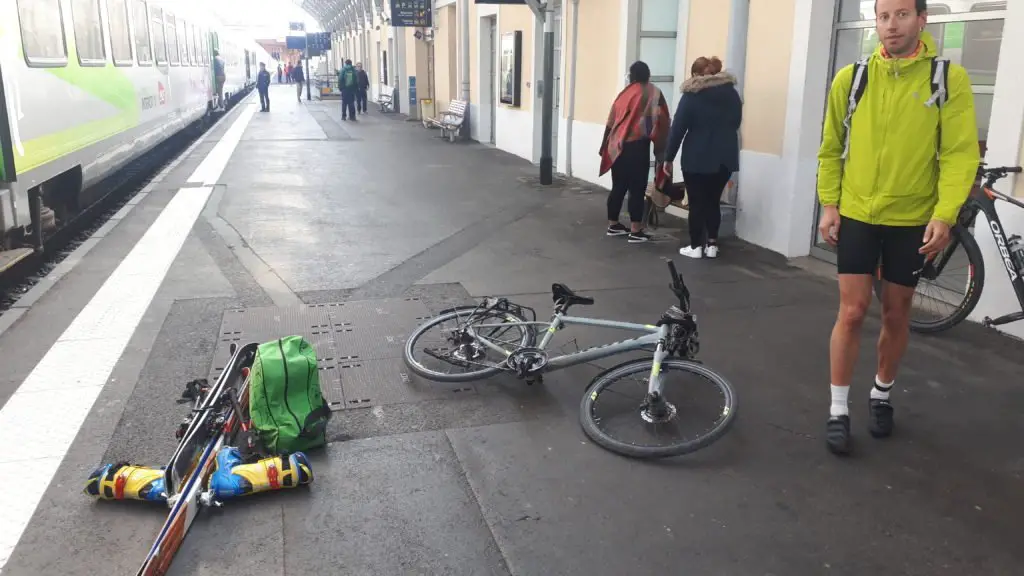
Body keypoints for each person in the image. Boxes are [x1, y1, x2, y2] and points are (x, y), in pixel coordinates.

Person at [816, 0, 979, 455]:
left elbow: (960, 153)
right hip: (858, 215)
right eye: (884, 16)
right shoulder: (852, 79)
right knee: (851, 313)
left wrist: (944, 214)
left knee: (895, 313)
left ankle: (881, 393)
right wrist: (830, 204)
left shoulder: (947, 79)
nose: (892, 25)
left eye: (902, 14)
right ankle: (838, 409)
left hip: (912, 221)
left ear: (922, 19)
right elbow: (830, 148)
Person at [661, 56, 741, 259]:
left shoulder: (692, 95)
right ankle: (712, 244)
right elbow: (736, 122)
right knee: (713, 200)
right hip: (725, 155)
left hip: (697, 156)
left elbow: (678, 128)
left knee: (696, 202)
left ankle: (696, 245)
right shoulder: (731, 94)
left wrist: (668, 157)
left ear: (696, 74)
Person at [598, 61, 671, 244]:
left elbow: (611, 121)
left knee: (618, 186)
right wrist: (661, 151)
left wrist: (604, 147)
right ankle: (635, 230)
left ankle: (613, 224)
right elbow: (662, 121)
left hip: (617, 146)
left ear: (632, 76)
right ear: (648, 74)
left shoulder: (624, 94)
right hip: (637, 146)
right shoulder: (653, 92)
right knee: (637, 188)